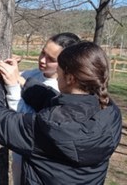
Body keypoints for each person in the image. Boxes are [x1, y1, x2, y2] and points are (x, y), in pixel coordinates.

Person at [0, 41, 122, 184]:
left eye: (59, 72)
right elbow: (62, 104)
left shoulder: (49, 127)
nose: (57, 76)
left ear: (70, 78)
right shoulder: (111, 112)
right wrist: (21, 81)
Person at [5, 32, 80, 185]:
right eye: (42, 53)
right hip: (19, 157)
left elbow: (25, 120)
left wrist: (13, 85)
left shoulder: (62, 91)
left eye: (51, 59)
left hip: (36, 163)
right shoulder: (35, 73)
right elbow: (18, 76)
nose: (42, 60)